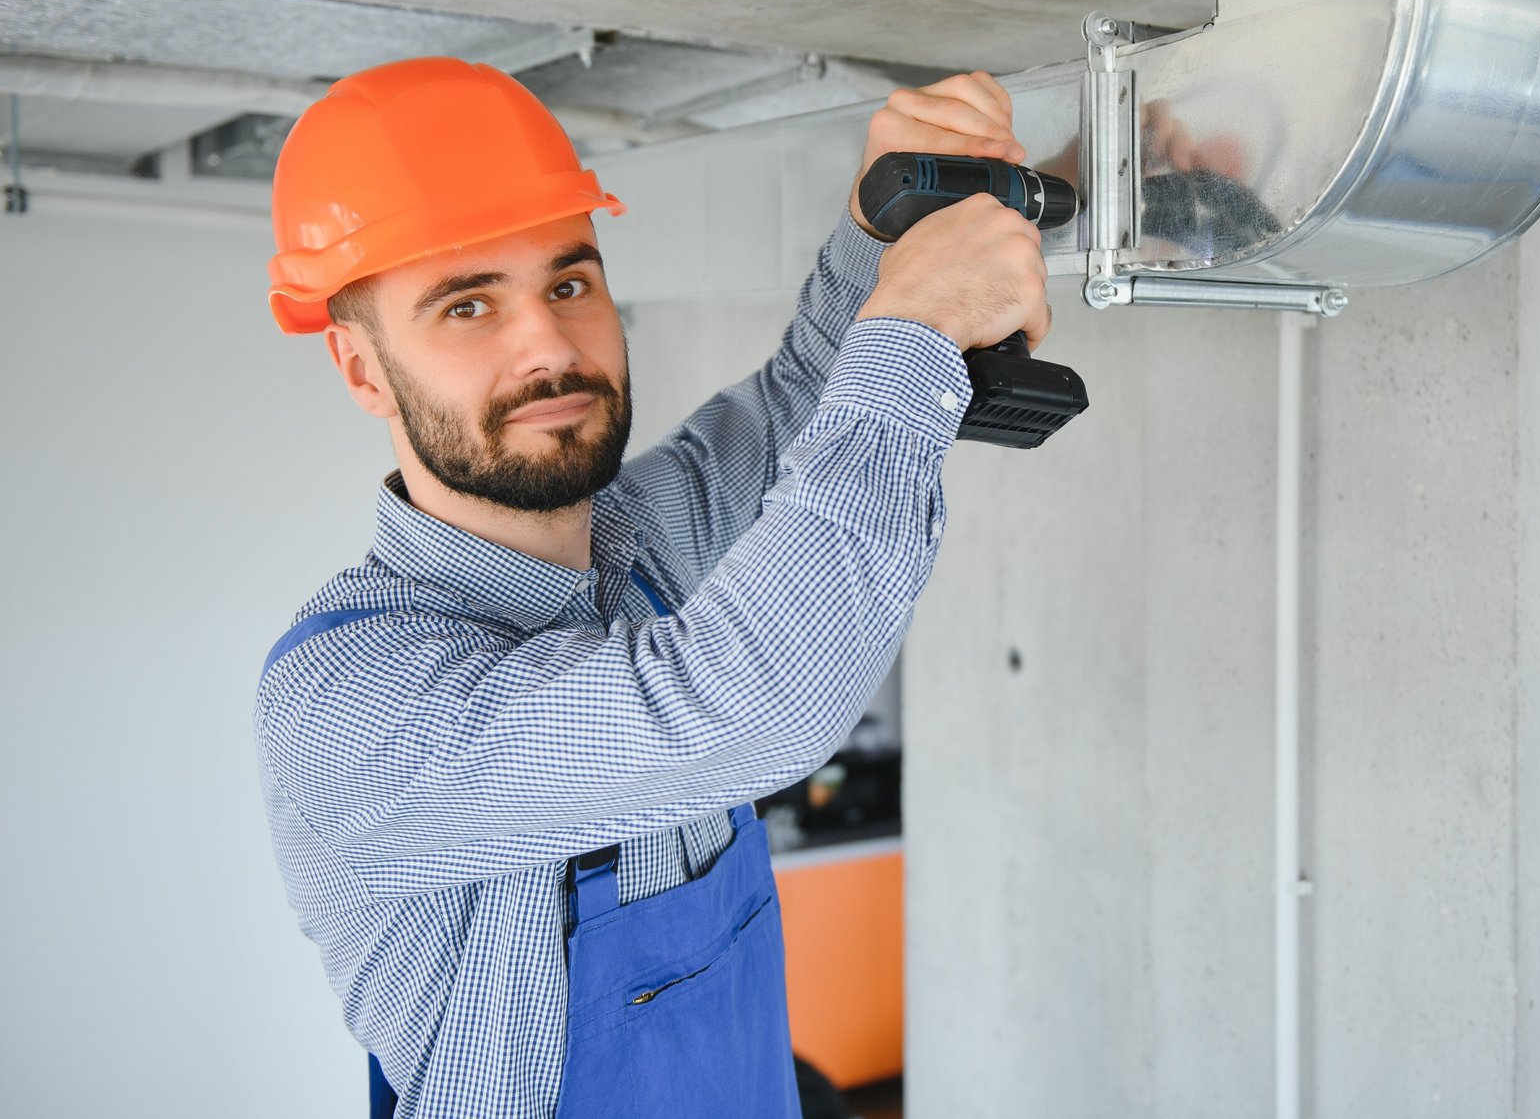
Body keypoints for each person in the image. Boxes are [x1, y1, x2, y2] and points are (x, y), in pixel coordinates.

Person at [253, 56, 1051, 1119]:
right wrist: (915, 330)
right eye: (467, 306)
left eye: (568, 283)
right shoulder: (346, 703)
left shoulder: (632, 547)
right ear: (362, 370)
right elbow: (735, 707)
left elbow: (796, 402)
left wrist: (880, 230)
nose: (547, 342)